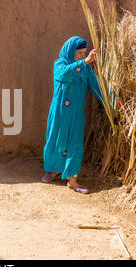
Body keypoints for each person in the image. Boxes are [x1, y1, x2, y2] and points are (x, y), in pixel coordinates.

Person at [41, 36, 123, 194]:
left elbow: (97, 86)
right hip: (59, 113)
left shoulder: (86, 69)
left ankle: (72, 180)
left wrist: (114, 99)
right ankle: (54, 170)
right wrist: (84, 61)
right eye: (79, 53)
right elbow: (63, 75)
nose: (81, 56)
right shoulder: (60, 64)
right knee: (55, 139)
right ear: (70, 52)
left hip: (76, 115)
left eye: (83, 53)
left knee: (74, 143)